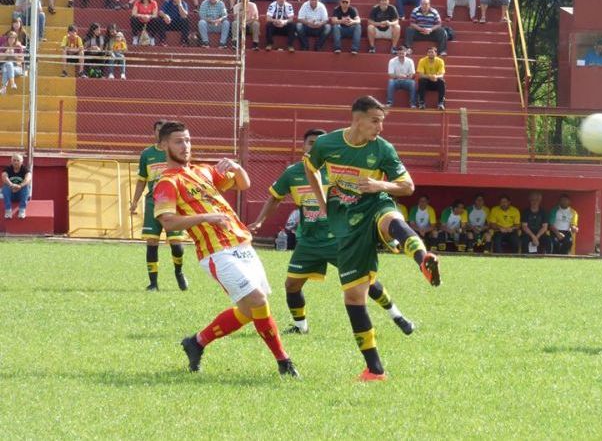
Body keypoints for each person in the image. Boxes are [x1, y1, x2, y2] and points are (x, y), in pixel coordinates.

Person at [303, 96, 441, 381]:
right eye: (375, 120)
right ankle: (374, 370)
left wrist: (380, 185)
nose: (380, 127)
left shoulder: (383, 149)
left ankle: (422, 259)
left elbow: (407, 186)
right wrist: (321, 200)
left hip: (375, 203)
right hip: (346, 221)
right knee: (354, 296)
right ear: (357, 119)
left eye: (382, 121)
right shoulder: (327, 144)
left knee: (392, 220)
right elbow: (310, 167)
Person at [153, 121, 299, 376]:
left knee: (247, 310)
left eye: (187, 140)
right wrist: (205, 218)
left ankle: (196, 342)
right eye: (178, 141)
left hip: (241, 243)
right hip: (215, 251)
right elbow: (167, 221)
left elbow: (243, 184)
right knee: (258, 300)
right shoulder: (167, 182)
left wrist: (238, 167)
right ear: (163, 145)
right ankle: (284, 362)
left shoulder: (203, 172)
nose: (185, 146)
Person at [248, 128, 415, 336]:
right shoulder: (293, 173)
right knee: (291, 284)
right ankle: (301, 327)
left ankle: (397, 316)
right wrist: (258, 222)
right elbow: (275, 197)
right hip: (308, 241)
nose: (315, 147)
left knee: (367, 281)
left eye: (319, 143)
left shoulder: (339, 170)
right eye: (311, 143)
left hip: (340, 238)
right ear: (304, 146)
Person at [128, 120, 188, 291]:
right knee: (151, 242)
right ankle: (153, 283)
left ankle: (179, 272)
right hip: (152, 202)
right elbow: (142, 179)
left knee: (176, 244)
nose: (161, 133)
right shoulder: (147, 154)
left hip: (172, 202)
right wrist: (134, 201)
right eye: (159, 130)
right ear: (155, 133)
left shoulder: (176, 152)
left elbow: (186, 176)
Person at [2, 153, 31, 219]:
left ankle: (22, 210)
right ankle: (8, 210)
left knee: (26, 187)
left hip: (21, 194)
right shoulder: (8, 168)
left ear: (21, 161)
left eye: (18, 160)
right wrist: (11, 185)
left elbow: (28, 178)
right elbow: (4, 176)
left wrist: (20, 186)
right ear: (11, 161)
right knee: (5, 187)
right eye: (14, 160)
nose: (16, 162)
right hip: (11, 194)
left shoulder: (25, 169)